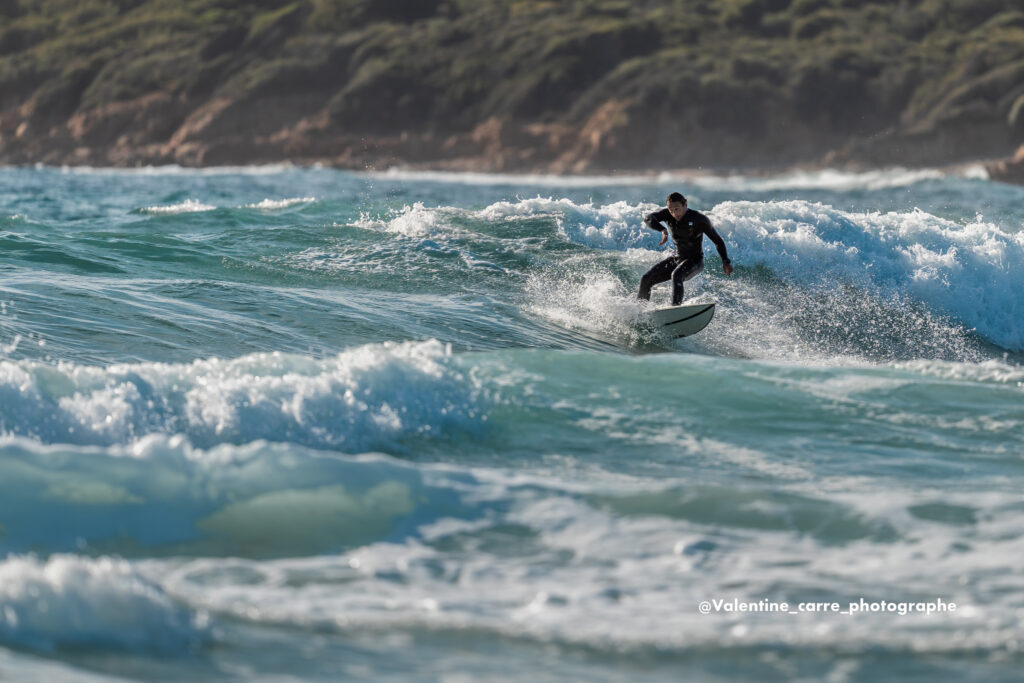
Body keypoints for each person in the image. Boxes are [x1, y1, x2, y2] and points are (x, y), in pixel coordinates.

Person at [637, 192, 734, 305]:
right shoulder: (668, 215)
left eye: (677, 209)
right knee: (646, 279)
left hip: (695, 261)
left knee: (676, 275)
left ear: (685, 204)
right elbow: (648, 218)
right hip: (678, 258)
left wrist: (725, 261)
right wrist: (662, 230)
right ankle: (640, 312)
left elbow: (718, 241)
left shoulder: (699, 219)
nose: (674, 213)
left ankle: (675, 310)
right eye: (670, 209)